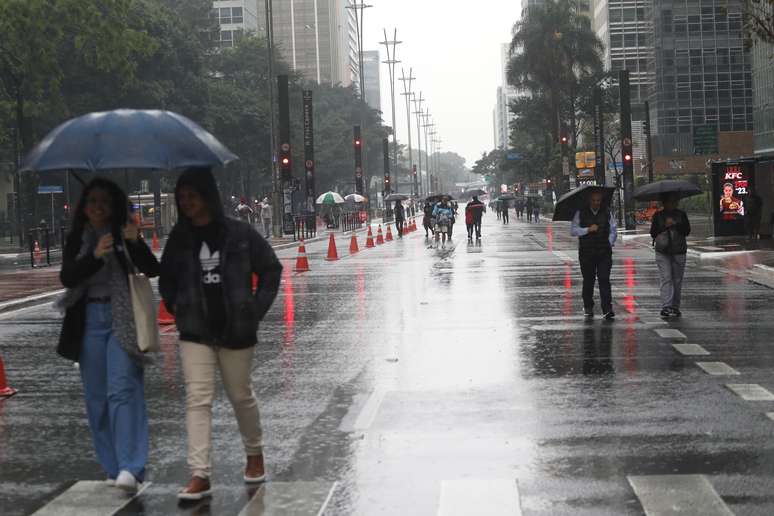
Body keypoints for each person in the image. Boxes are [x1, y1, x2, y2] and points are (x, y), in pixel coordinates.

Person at [160, 168, 283, 501]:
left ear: (207, 196)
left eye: (192, 196)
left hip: (236, 330)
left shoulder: (239, 233)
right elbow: (166, 278)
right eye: (182, 197)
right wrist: (177, 306)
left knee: (240, 395)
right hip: (194, 332)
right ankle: (200, 473)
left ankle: (254, 453)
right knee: (198, 399)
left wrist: (254, 310)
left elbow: (271, 269)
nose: (187, 203)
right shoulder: (180, 238)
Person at [58, 178, 160, 492]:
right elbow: (68, 277)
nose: (98, 208)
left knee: (122, 391)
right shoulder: (78, 238)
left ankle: (131, 465)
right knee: (97, 399)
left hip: (122, 320)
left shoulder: (123, 232)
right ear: (83, 207)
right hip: (88, 320)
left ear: (114, 205)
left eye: (104, 201)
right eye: (92, 202)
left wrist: (133, 241)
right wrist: (95, 256)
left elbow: (151, 268)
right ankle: (113, 467)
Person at [571, 190, 617, 320]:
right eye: (594, 200)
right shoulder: (580, 212)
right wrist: (587, 229)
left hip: (604, 252)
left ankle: (607, 308)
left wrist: (609, 242)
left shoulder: (607, 212)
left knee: (604, 279)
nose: (596, 203)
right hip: (586, 252)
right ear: (589, 201)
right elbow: (573, 231)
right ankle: (588, 306)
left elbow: (613, 230)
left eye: (599, 200)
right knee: (589, 280)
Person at [650, 192, 690, 318]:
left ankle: (675, 306)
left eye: (675, 201)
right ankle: (666, 306)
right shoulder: (658, 215)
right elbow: (653, 232)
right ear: (665, 202)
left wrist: (676, 224)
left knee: (677, 280)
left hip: (679, 250)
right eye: (671, 201)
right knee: (666, 277)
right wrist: (664, 225)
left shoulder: (681, 214)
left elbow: (687, 231)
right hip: (663, 251)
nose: (673, 204)